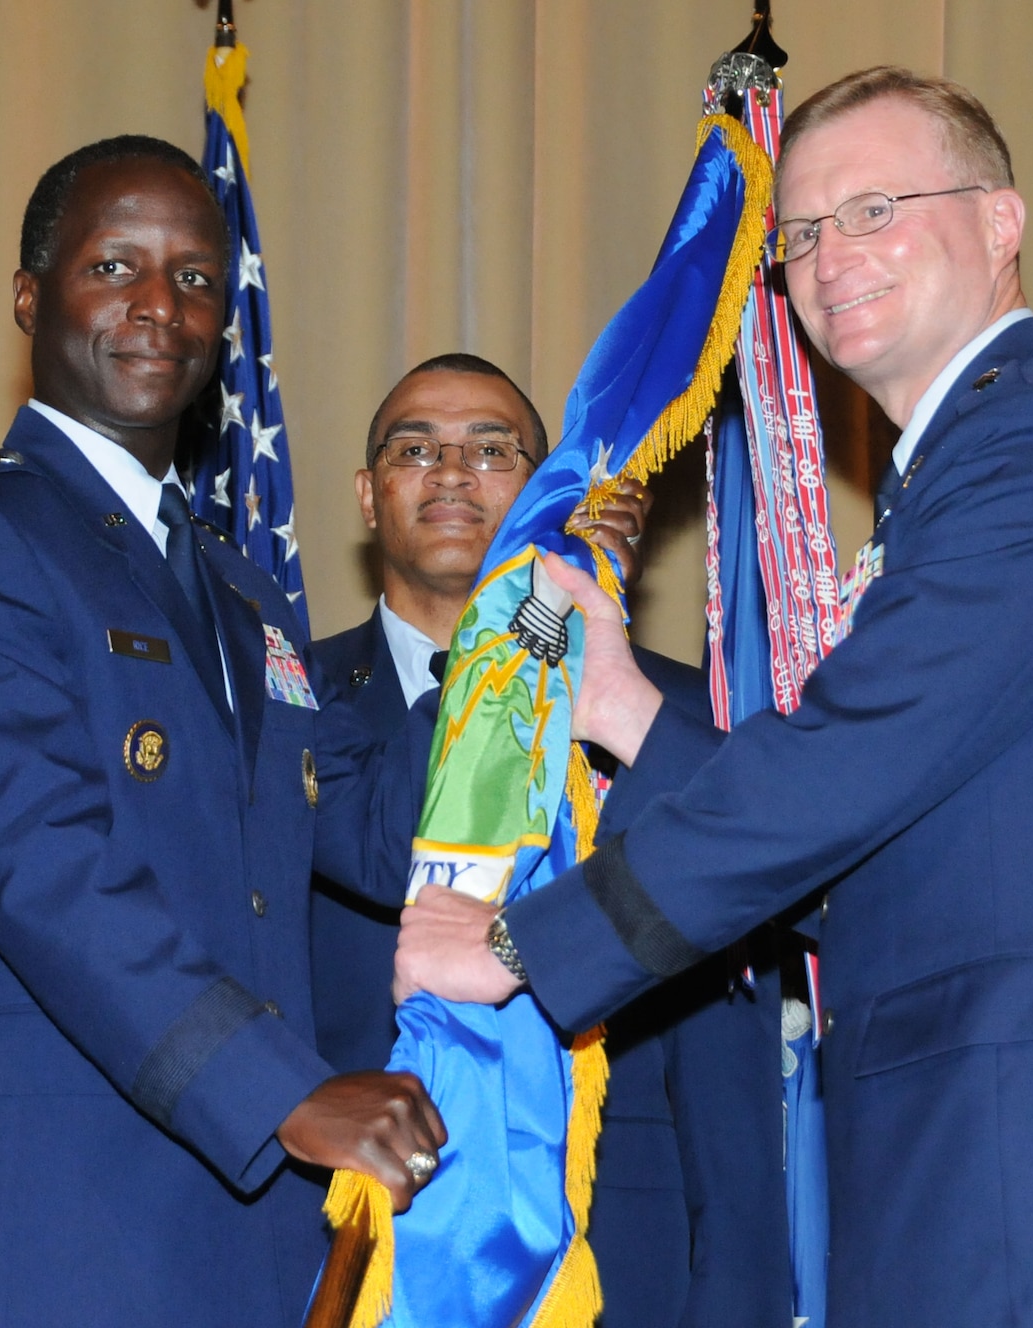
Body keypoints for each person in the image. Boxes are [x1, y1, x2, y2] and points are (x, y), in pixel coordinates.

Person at [395, 68, 1033, 1328]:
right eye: (802, 234)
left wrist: (514, 945)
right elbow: (891, 830)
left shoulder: (1030, 451)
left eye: (873, 208)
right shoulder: (982, 459)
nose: (829, 257)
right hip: (998, 1171)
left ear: (1000, 222)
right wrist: (621, 707)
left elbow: (841, 771)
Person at [0, 136, 445, 1328]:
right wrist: (282, 1089)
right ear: (29, 296)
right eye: (114, 266)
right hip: (43, 1222)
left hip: (251, 1237)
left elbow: (373, 831)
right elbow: (41, 866)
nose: (160, 305)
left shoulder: (242, 592)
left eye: (196, 278)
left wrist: (522, 612)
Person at [310, 354, 791, 1327]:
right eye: (416, 449)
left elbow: (725, 1053)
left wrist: (737, 1289)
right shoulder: (286, 705)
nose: (452, 472)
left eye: (493, 450)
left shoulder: (660, 711)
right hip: (345, 1251)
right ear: (367, 494)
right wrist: (513, 638)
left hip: (614, 1262)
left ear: (546, 490)